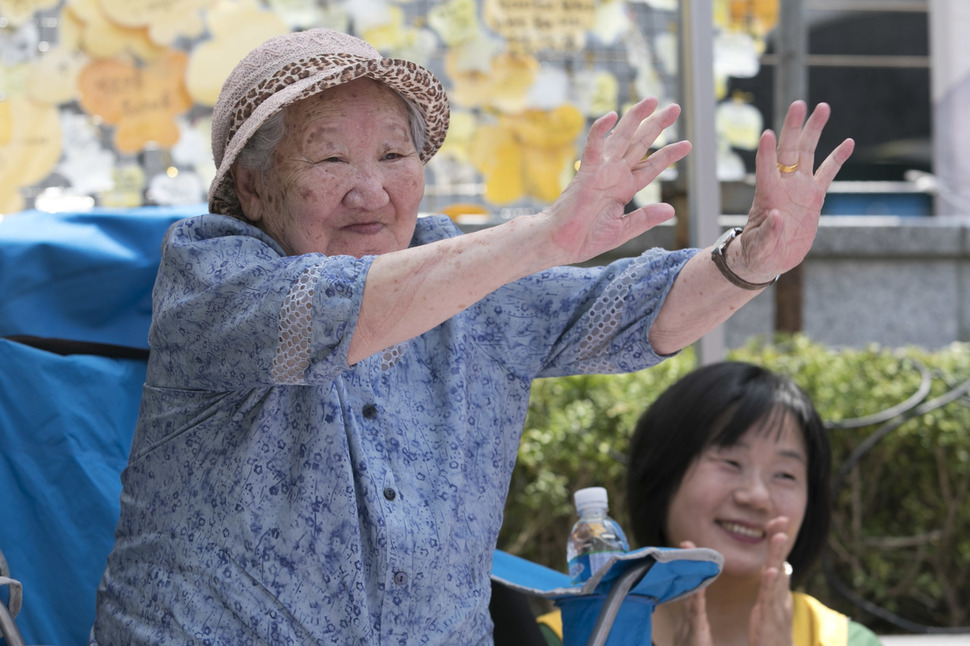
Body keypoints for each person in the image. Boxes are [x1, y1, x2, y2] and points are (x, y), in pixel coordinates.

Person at [90, 27, 854, 645]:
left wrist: (751, 260)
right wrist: (544, 235)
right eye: (330, 158)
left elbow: (630, 312)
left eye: (395, 155)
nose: (372, 188)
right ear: (251, 188)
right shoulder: (210, 272)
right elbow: (336, 308)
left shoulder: (467, 273)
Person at [538, 362, 882, 646]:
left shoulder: (846, 640)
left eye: (785, 475)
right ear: (662, 474)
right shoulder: (567, 637)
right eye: (731, 463)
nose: (757, 496)